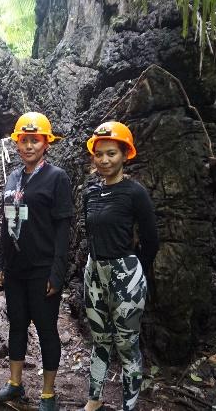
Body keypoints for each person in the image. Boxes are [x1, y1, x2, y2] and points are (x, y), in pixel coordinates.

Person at [0, 112, 74, 411]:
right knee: (16, 325)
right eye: (23, 140)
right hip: (15, 270)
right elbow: (6, 225)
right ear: (16, 144)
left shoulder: (57, 177)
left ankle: (48, 393)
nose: (28, 146)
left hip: (43, 269)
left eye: (34, 140)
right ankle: (15, 384)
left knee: (46, 328)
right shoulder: (13, 177)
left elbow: (64, 228)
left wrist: (58, 271)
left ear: (46, 144)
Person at [81, 121, 159, 411]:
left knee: (127, 344)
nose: (104, 160)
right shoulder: (89, 193)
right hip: (94, 272)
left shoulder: (135, 192)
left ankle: (129, 404)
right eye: (99, 154)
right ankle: (94, 398)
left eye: (111, 153)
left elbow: (152, 240)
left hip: (125, 274)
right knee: (100, 339)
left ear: (125, 154)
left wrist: (135, 270)